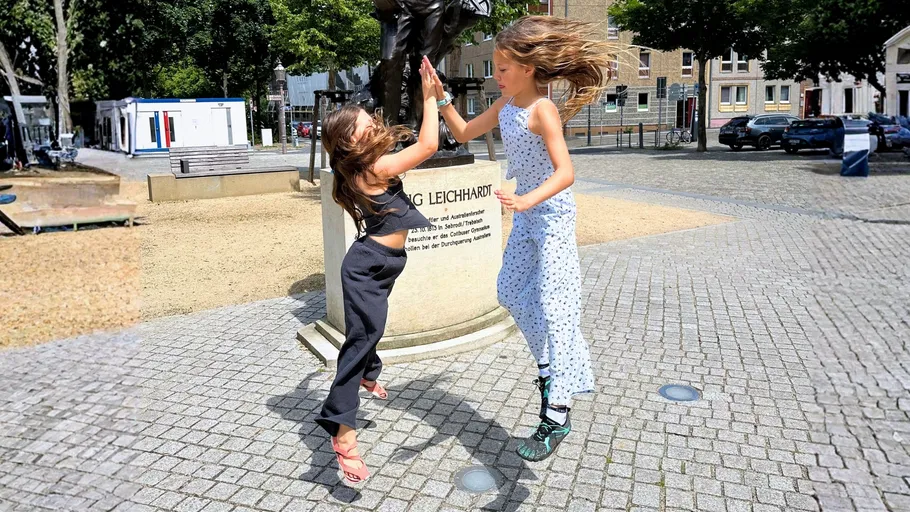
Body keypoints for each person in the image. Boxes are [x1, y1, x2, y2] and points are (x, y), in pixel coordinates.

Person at [434, 15, 613, 461]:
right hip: (527, 216)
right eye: (495, 68)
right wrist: (441, 99)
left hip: (550, 217)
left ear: (529, 69)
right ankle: (550, 372)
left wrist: (528, 199)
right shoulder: (508, 105)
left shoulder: (542, 110)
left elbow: (566, 172)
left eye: (503, 69)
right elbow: (462, 132)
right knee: (510, 290)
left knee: (558, 306)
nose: (497, 76)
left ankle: (557, 413)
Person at [316, 55, 446, 483]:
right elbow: (428, 146)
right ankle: (342, 431)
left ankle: (370, 375)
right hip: (369, 266)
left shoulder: (360, 164)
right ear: (348, 140)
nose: (371, 123)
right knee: (360, 341)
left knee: (370, 330)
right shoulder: (372, 167)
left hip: (381, 264)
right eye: (363, 124)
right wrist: (431, 98)